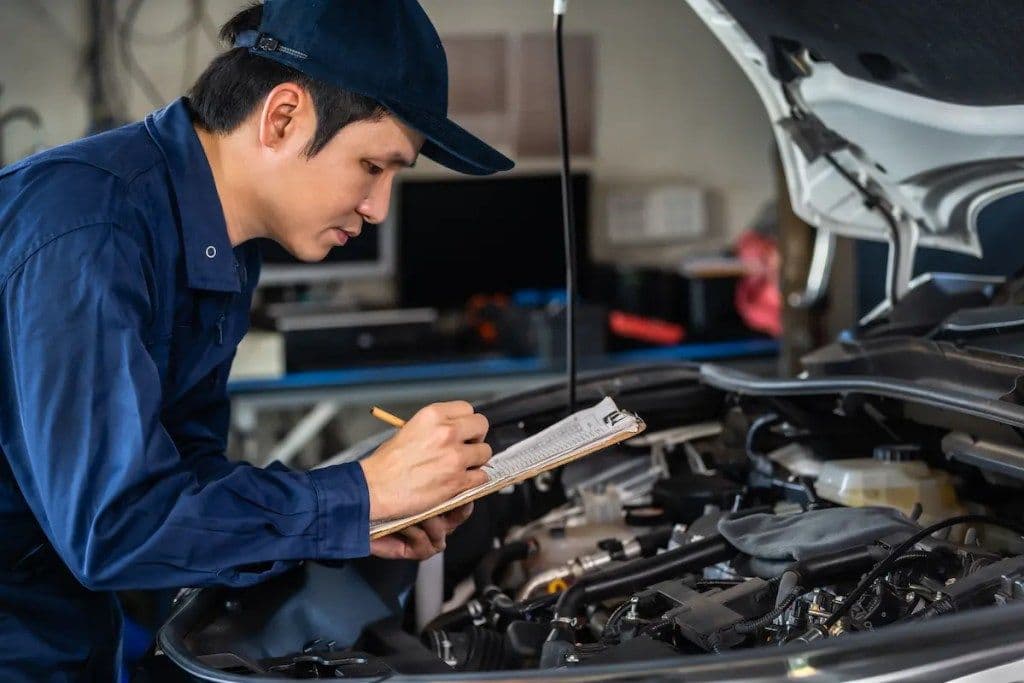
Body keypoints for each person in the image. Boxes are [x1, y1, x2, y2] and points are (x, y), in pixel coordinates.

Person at [0, 1, 514, 680]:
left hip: (61, 630)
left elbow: (181, 476)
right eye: (372, 166)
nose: (378, 207)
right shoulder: (89, 230)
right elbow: (115, 525)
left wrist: (360, 516)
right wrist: (357, 494)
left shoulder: (224, 248)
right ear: (282, 117)